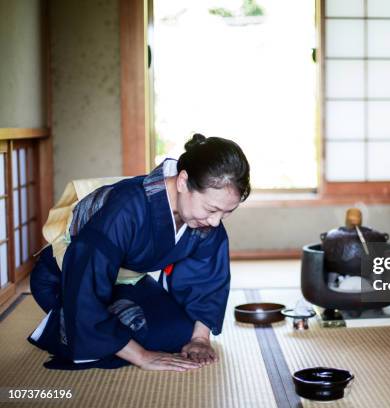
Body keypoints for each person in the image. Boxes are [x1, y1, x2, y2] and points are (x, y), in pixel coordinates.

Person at [28, 134, 250, 371]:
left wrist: (200, 339)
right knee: (124, 336)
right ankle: (61, 325)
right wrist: (142, 356)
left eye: (226, 214)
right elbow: (85, 280)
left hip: (124, 280)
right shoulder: (126, 208)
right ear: (183, 182)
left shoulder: (204, 220)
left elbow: (207, 278)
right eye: (211, 209)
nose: (216, 222)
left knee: (180, 333)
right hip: (67, 280)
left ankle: (97, 329)